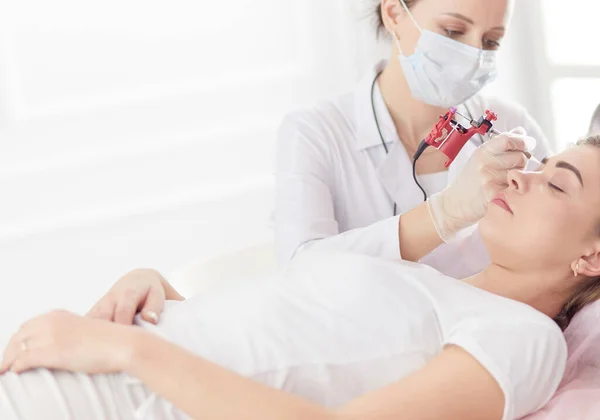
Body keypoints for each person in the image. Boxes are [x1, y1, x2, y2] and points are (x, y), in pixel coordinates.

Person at [3, 134, 600, 420]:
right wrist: (162, 289)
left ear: (592, 259)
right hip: (77, 367)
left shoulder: (524, 338)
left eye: (557, 182)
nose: (523, 176)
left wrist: (128, 351)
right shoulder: (437, 281)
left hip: (105, 398)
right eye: (541, 163)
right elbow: (286, 330)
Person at [273, 0, 552, 278]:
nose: (474, 54)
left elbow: (569, 252)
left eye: (492, 41)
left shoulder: (512, 124)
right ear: (394, 14)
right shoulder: (315, 133)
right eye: (453, 31)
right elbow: (301, 274)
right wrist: (443, 214)